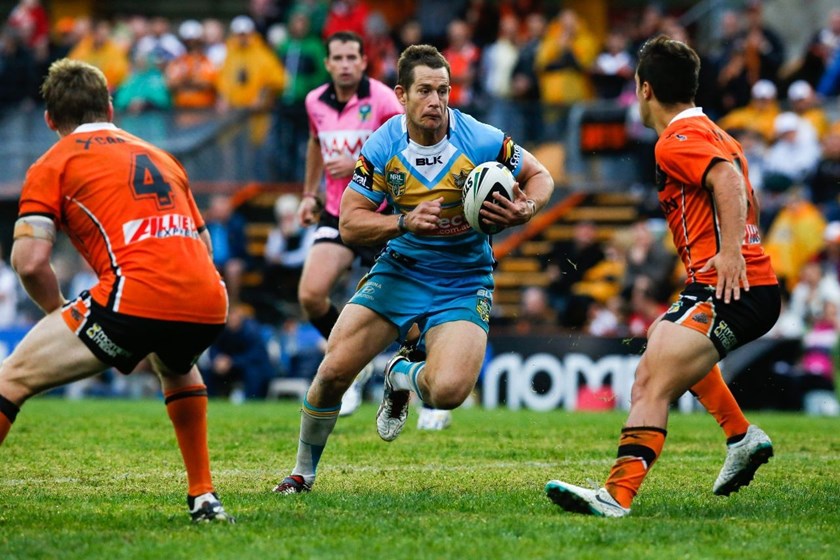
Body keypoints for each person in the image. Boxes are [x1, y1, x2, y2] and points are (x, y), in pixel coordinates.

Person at [273, 43, 554, 494]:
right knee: (332, 372)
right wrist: (401, 221)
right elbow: (349, 222)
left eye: (443, 91)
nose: (436, 102)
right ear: (401, 95)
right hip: (399, 270)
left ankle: (401, 375)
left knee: (448, 393)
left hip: (464, 280)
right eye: (425, 91)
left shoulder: (479, 137)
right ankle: (302, 473)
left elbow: (541, 176)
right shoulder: (384, 145)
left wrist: (527, 208)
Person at [546, 36, 781, 517]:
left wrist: (732, 252)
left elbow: (729, 182)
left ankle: (616, 496)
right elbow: (739, 190)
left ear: (644, 88)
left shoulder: (674, 141)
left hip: (730, 286)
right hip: (735, 283)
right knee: (659, 339)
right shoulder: (719, 133)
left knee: (649, 381)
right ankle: (741, 435)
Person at [0, 59, 233, 523]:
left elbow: (28, 262)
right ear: (110, 106)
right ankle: (204, 496)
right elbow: (203, 243)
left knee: (11, 379)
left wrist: (57, 312)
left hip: (136, 297)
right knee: (177, 366)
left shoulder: (54, 161)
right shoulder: (161, 154)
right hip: (209, 299)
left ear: (50, 120)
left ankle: (205, 495)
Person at [295, 31, 403, 417]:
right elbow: (314, 143)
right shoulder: (314, 102)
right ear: (327, 64)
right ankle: (351, 367)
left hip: (384, 213)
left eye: (350, 58)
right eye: (336, 58)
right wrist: (310, 193)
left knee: (407, 313)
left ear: (363, 62)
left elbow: (405, 147)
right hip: (339, 212)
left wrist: (359, 161)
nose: (343, 65)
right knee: (311, 295)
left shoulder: (383, 99)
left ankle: (420, 379)